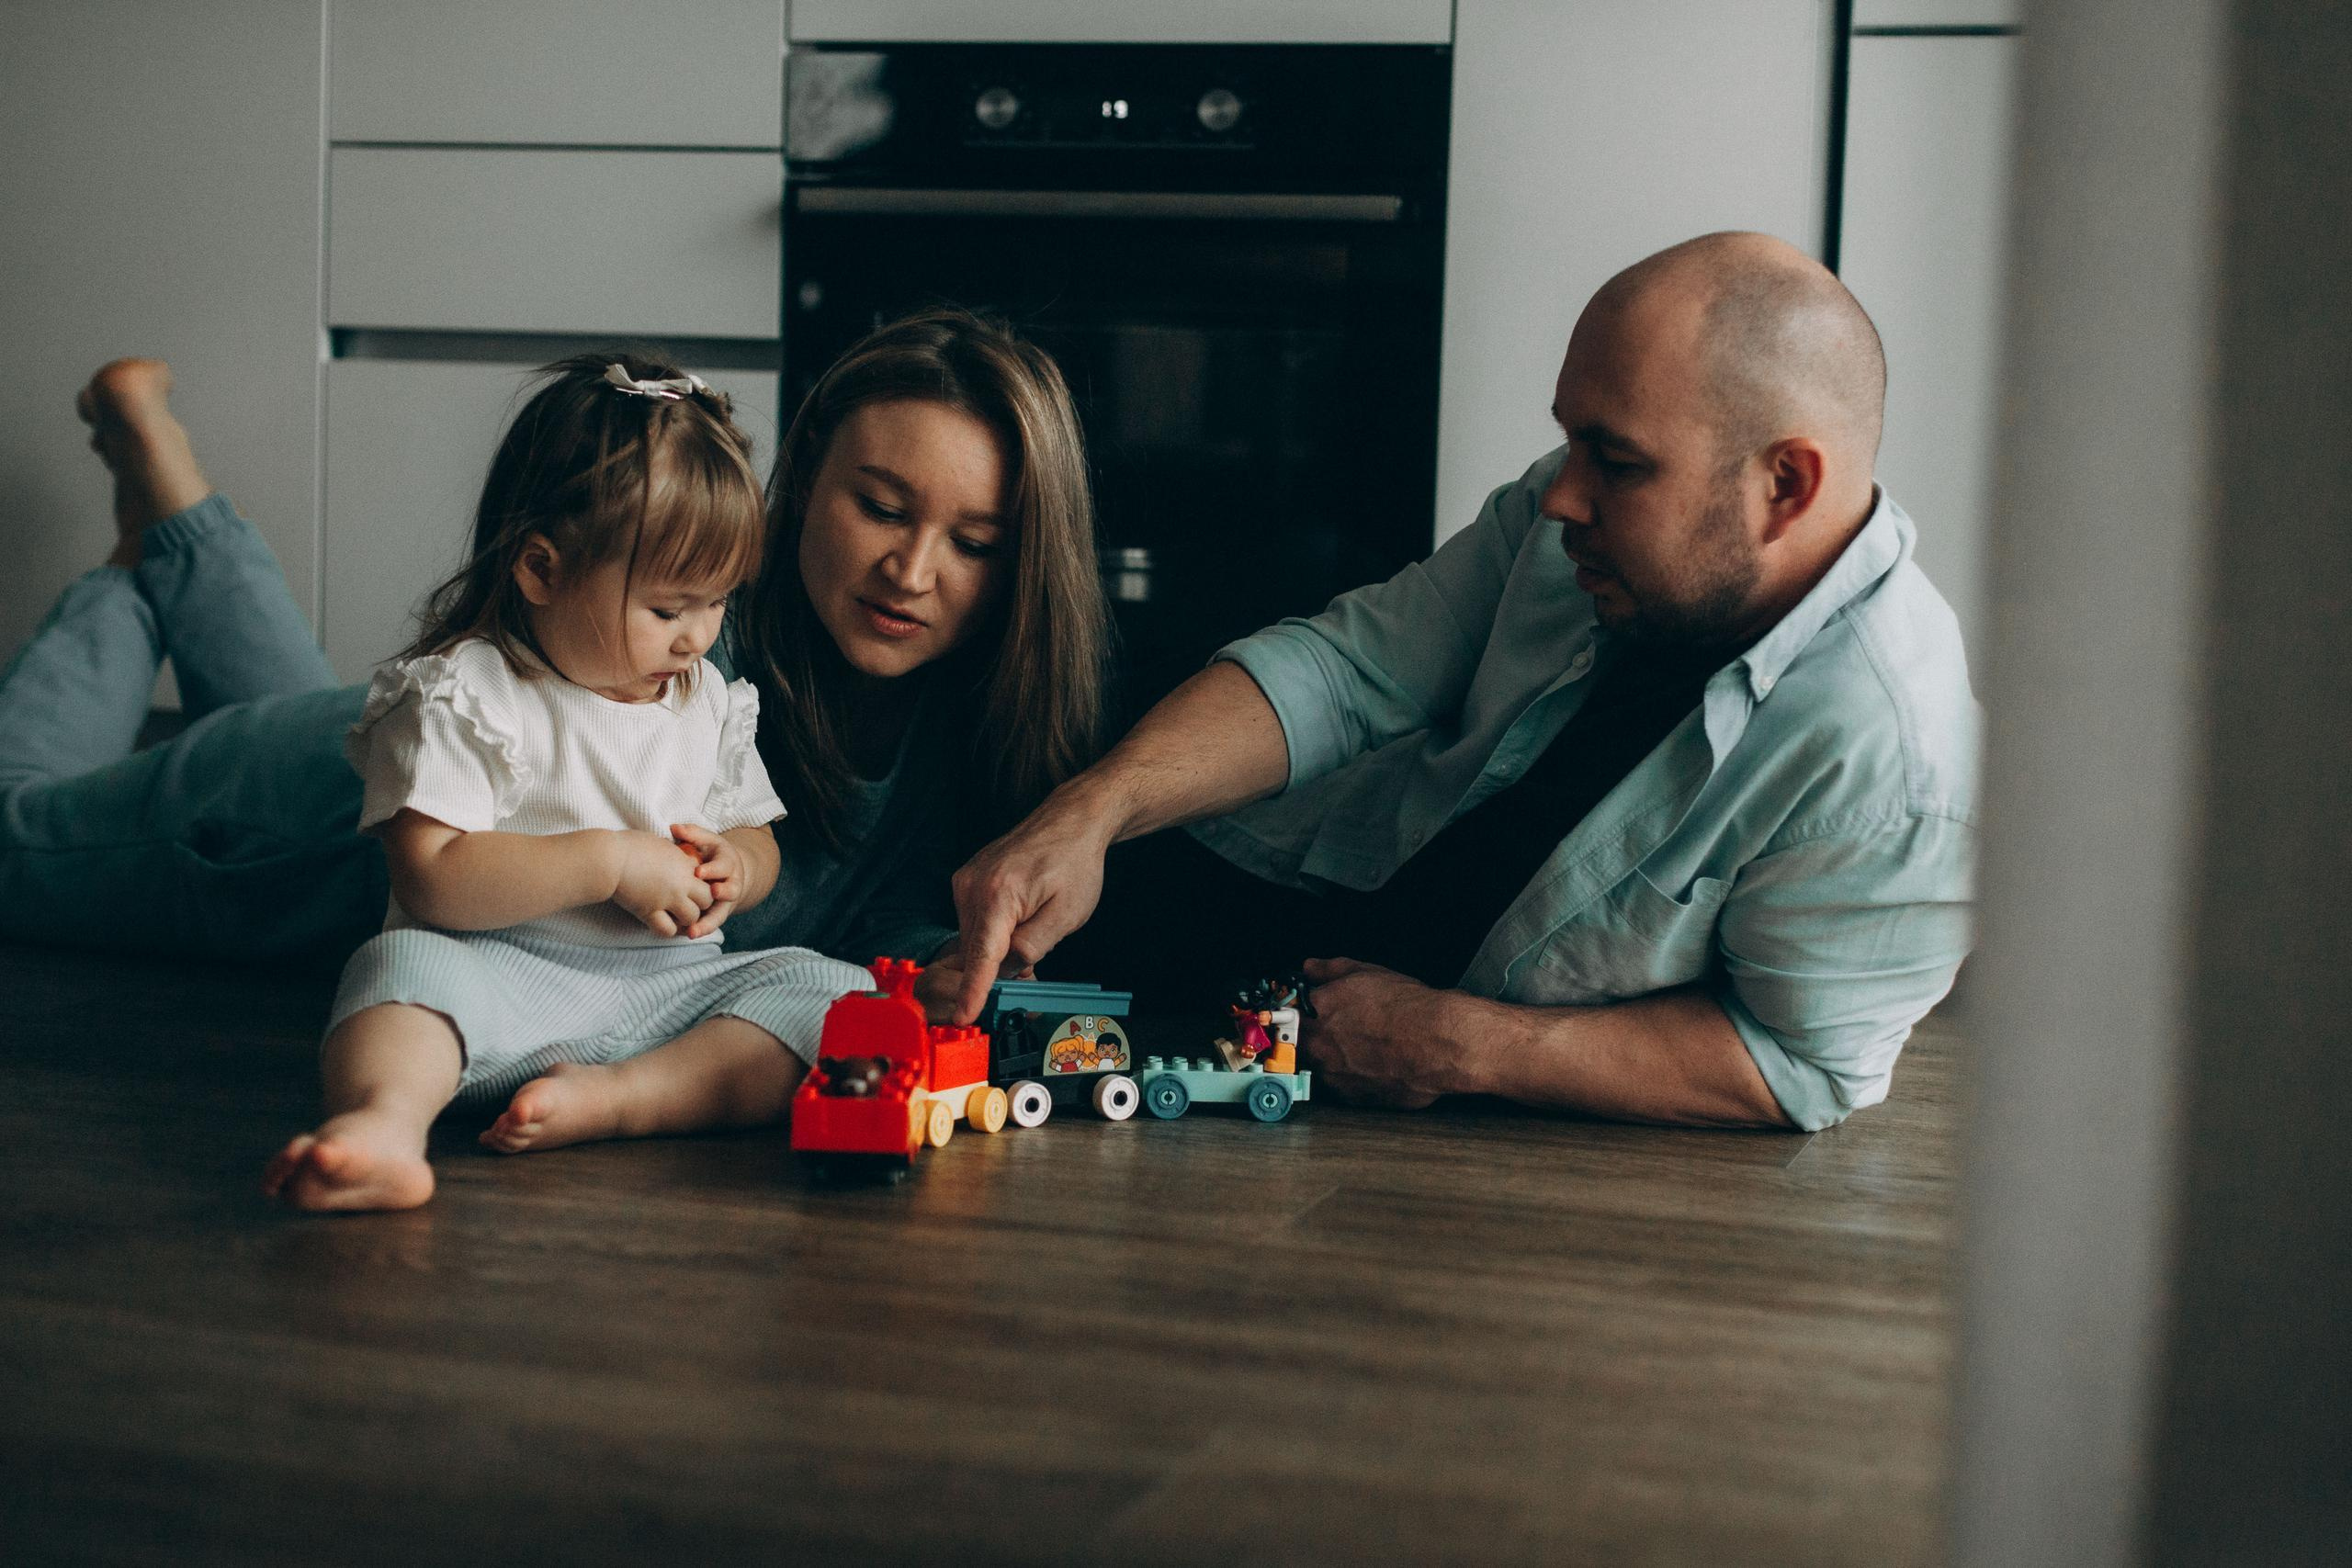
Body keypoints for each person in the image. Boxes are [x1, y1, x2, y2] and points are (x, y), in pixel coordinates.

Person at [950, 231, 1978, 1133]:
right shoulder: (1569, 514)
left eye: (1615, 463)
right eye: (1568, 439)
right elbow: (1349, 670)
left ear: (1784, 485)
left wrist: (1466, 1046)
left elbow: (1797, 1065)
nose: (1560, 494)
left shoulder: (1901, 769)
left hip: (1448, 1118)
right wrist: (1093, 813)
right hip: (1286, 899)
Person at [0, 308, 1108, 1127]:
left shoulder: (972, 727)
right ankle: (136, 566)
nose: (912, 571)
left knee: (282, 699)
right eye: (879, 506)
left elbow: (857, 927)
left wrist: (953, 970)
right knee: (18, 836)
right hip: (311, 829)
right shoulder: (680, 629)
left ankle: (167, 490)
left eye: (973, 543)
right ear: (804, 480)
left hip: (509, 912)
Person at [264, 354, 891, 1210]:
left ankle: (627, 1098)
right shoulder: (470, 691)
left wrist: (738, 869)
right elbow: (431, 876)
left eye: (717, 604)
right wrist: (607, 863)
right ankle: (386, 1123)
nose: (695, 638)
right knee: (398, 970)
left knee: (835, 993)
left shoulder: (704, 699)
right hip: (495, 979)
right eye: (668, 609)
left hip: (669, 996)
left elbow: (757, 838)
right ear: (542, 571)